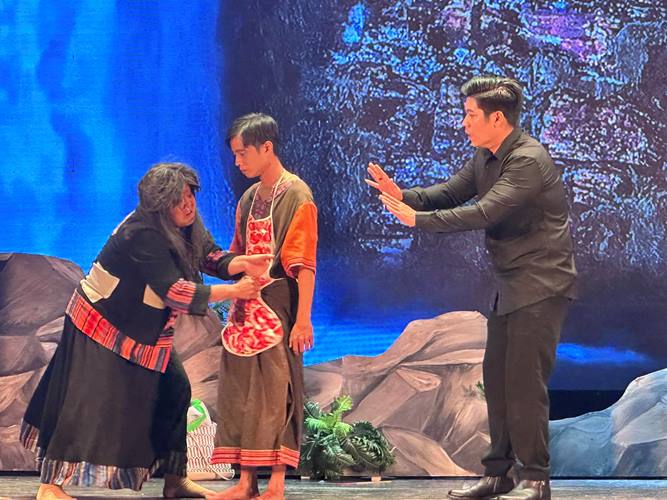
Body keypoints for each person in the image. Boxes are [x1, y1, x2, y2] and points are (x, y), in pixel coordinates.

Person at [367, 76, 576, 500]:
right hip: (510, 285)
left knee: (524, 384)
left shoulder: (527, 161)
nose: (463, 122)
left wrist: (417, 221)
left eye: (470, 114)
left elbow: (483, 212)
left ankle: (536, 479)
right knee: (496, 381)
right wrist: (402, 195)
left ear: (497, 118)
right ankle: (498, 475)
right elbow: (450, 193)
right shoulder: (485, 156)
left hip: (541, 284)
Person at [21, 162, 272, 500]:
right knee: (86, 401)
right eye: (178, 200)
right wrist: (235, 291)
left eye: (190, 195)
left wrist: (242, 263)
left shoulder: (184, 226)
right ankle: (49, 486)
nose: (188, 204)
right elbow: (175, 292)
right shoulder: (141, 235)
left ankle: (175, 479)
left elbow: (209, 256)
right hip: (100, 323)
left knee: (177, 389)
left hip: (143, 329)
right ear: (159, 206)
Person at [207, 113, 317, 500]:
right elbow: (237, 254)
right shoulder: (248, 199)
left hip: (278, 305)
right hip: (245, 307)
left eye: (243, 153)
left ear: (266, 148)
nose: (238, 162)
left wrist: (302, 320)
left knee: (276, 390)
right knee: (241, 391)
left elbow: (304, 265)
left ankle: (276, 484)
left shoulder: (297, 196)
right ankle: (245, 481)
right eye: (235, 155)